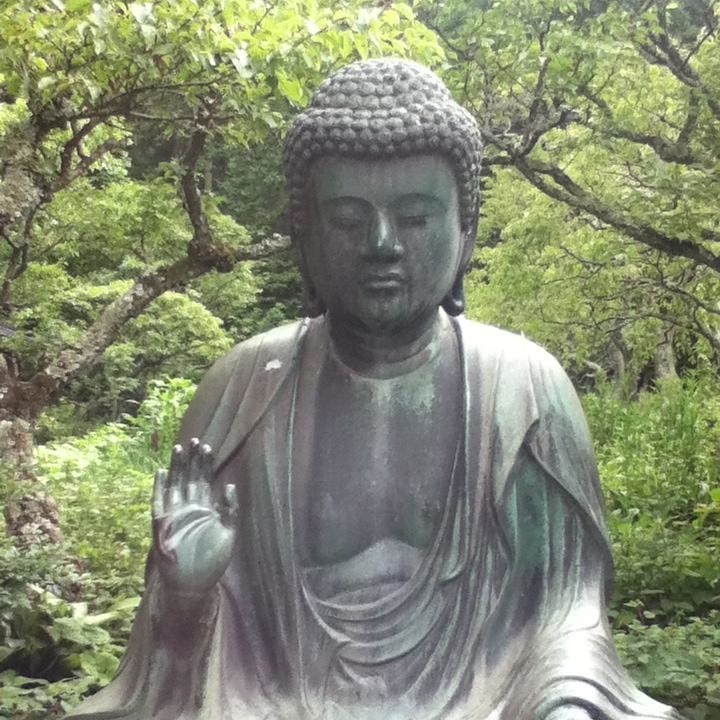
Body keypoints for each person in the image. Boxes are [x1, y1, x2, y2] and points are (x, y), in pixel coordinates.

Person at [66, 59, 681, 720]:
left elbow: (567, 619)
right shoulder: (243, 388)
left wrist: (567, 704)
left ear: (466, 233)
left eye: (414, 217)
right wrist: (186, 599)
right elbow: (173, 673)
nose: (382, 244)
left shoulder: (526, 390)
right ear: (303, 239)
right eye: (347, 219)